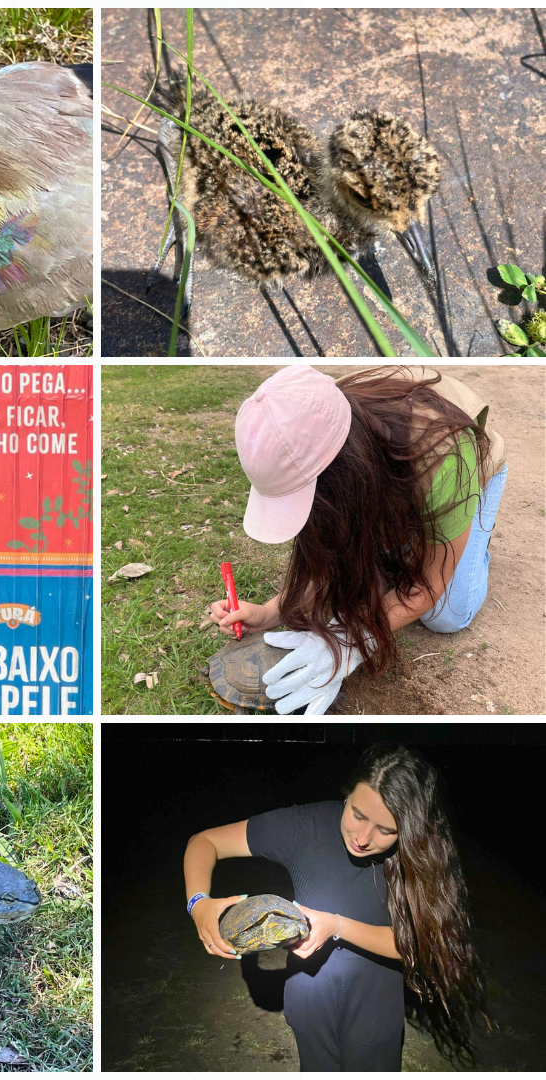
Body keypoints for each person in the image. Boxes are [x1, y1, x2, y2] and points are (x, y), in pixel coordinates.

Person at [207, 365, 508, 714]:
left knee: (446, 615)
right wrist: (271, 611)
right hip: (392, 484)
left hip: (468, 475)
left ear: (344, 475)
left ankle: (469, 539)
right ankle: (411, 542)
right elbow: (336, 554)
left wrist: (351, 640)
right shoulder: (305, 422)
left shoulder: (443, 455)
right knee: (370, 572)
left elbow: (430, 584)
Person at [184, 745, 490, 1070]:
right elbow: (204, 842)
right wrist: (198, 903)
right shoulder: (305, 826)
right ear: (348, 793)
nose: (362, 837)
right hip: (309, 1006)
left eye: (386, 830)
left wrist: (336, 925)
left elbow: (420, 945)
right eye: (358, 814)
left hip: (376, 1013)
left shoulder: (417, 854)